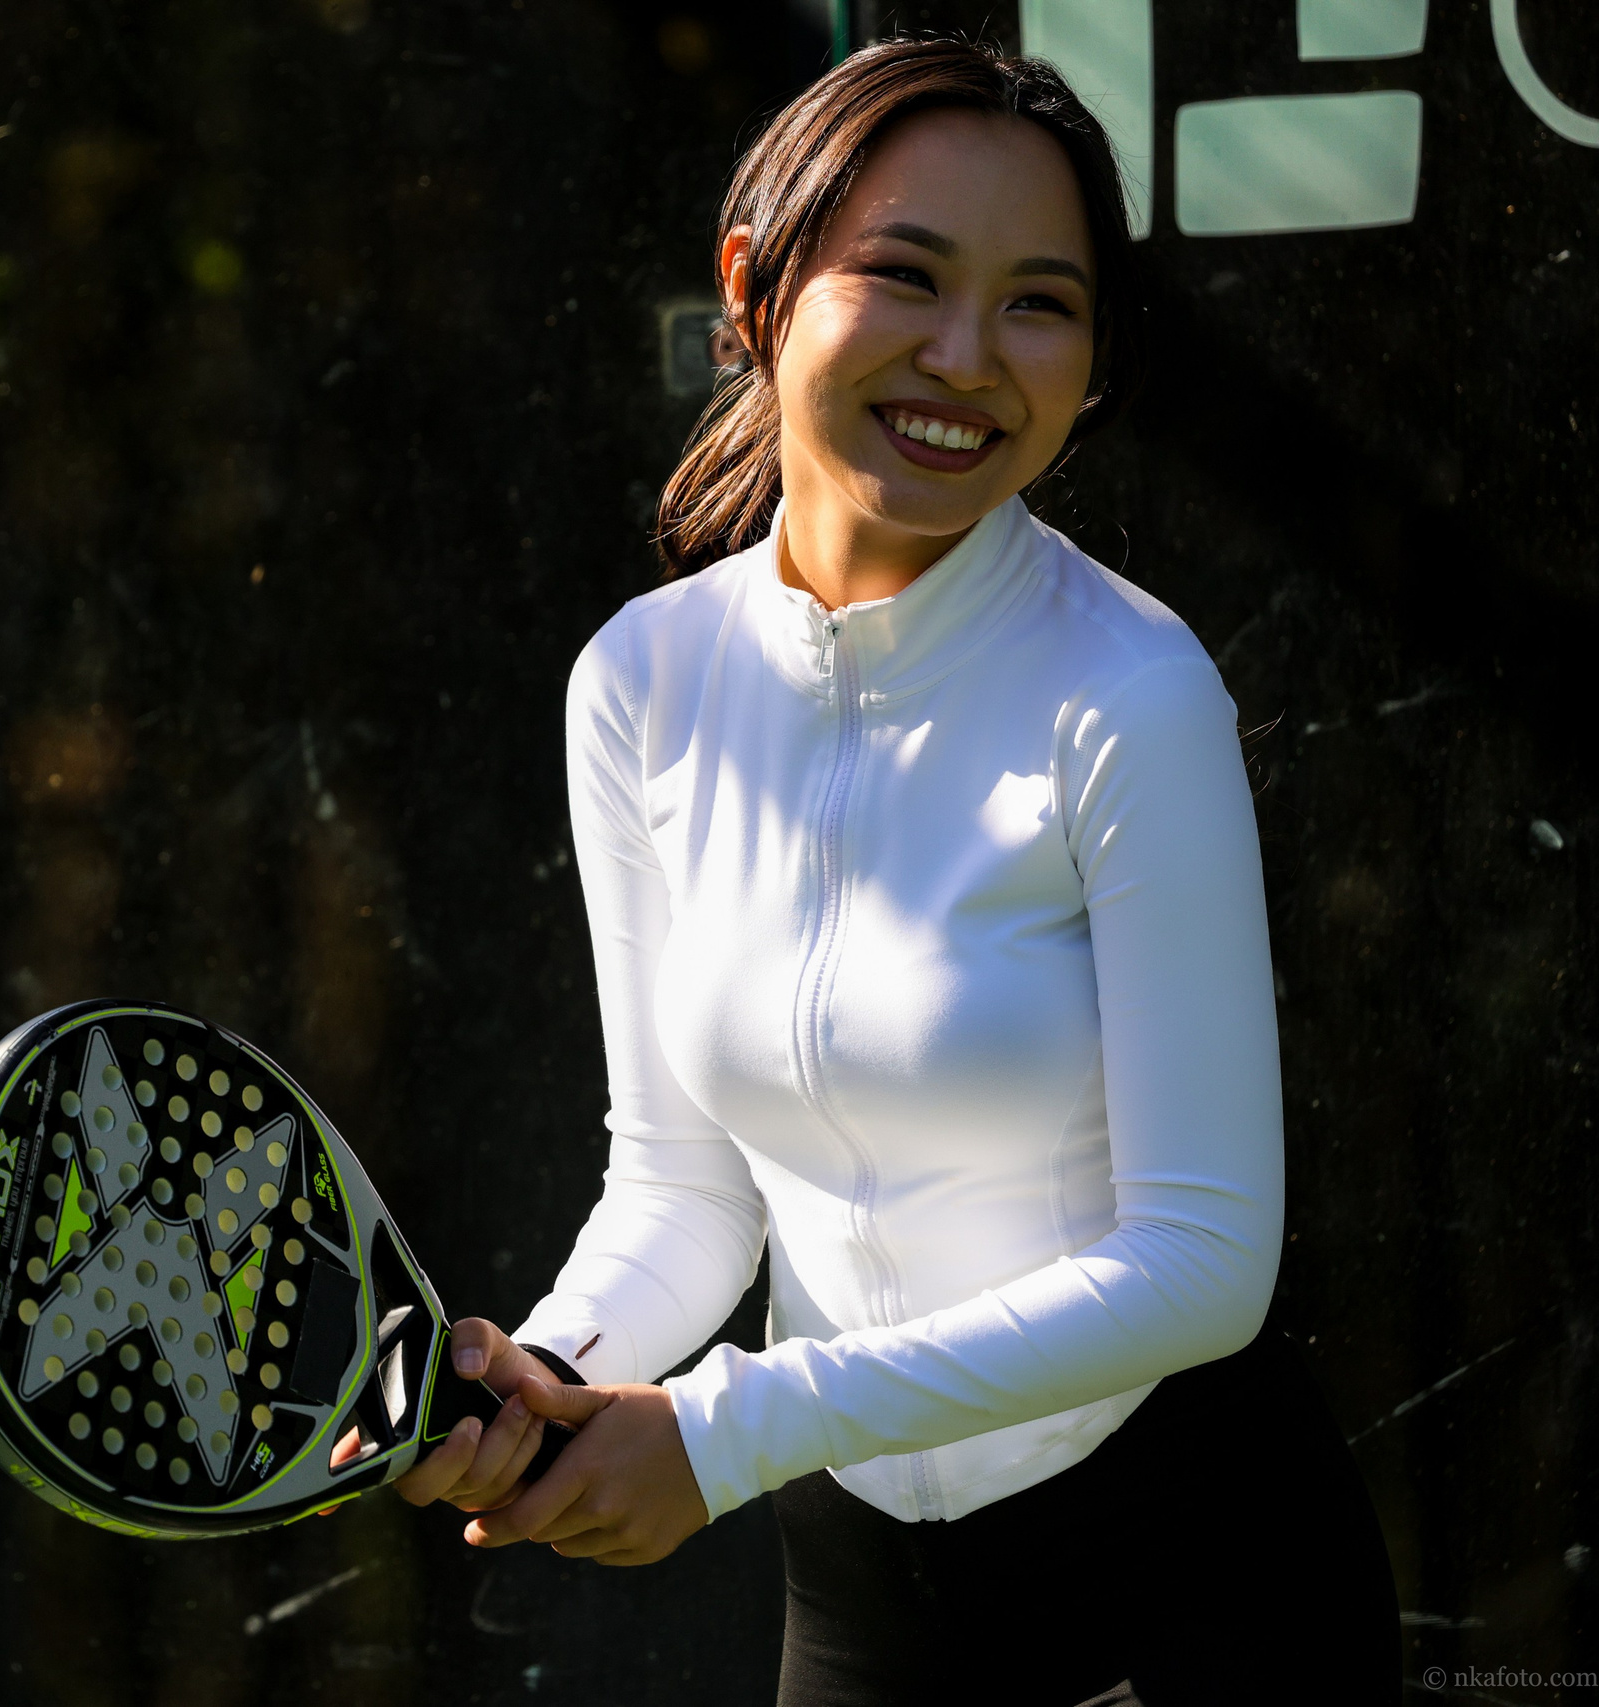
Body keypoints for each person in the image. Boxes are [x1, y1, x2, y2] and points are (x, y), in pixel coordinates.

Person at [392, 38, 1401, 1705]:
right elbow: (687, 1189)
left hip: (1200, 1580)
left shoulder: (1132, 694)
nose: (967, 357)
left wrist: (722, 1430)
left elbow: (1203, 1267)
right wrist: (549, 1379)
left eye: (1040, 304)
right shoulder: (637, 689)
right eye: (907, 276)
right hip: (873, 1599)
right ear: (757, 285)